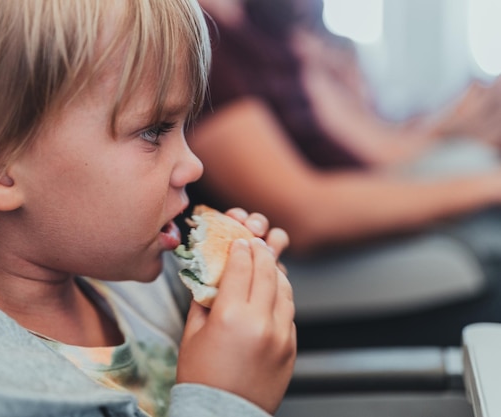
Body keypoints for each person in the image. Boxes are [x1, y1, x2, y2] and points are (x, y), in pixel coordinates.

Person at [0, 1, 295, 416]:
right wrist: (224, 402)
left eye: (184, 126)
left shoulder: (127, 275)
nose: (193, 165)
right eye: (153, 130)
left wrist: (235, 302)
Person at [191, 0, 501, 347]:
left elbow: (376, 153)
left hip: (347, 237)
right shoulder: (203, 43)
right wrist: (487, 185)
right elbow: (307, 212)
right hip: (306, 271)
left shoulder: (262, 30)